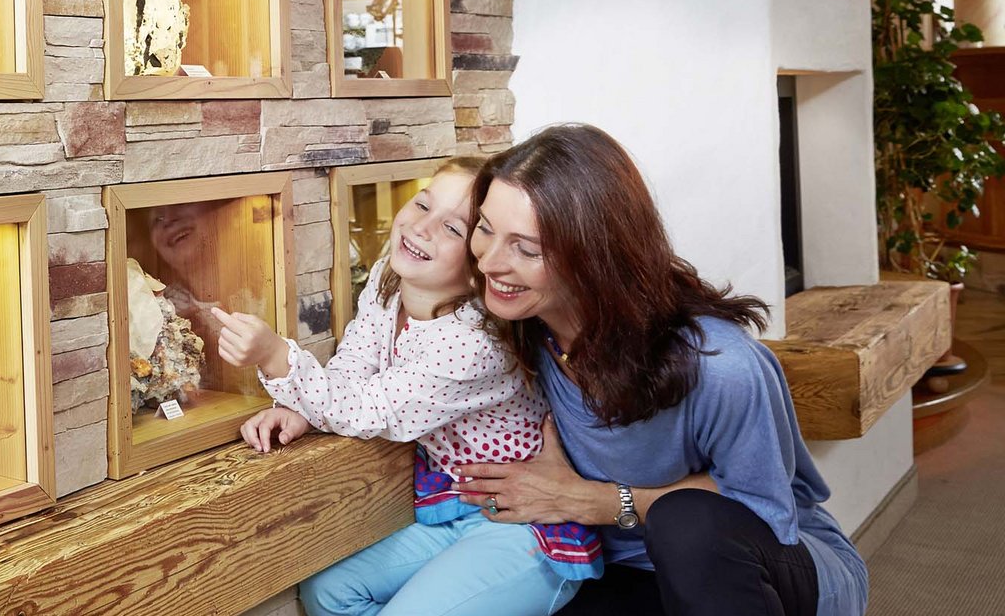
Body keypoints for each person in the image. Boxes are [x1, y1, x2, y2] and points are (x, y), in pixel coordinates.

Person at [453, 124, 866, 616]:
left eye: (526, 248)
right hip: (625, 568)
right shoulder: (520, 330)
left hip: (767, 565)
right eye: (485, 228)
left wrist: (587, 500)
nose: (490, 262)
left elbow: (758, 506)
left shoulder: (719, 365)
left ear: (596, 254)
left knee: (685, 524)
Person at [214, 156, 599, 616]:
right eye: (422, 204)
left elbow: (373, 408)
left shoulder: (472, 343)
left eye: (452, 228)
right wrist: (303, 410)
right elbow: (356, 364)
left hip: (524, 527)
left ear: (479, 265)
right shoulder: (389, 278)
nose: (421, 227)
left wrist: (276, 356)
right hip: (451, 505)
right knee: (328, 592)